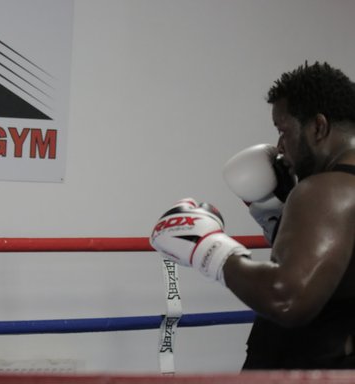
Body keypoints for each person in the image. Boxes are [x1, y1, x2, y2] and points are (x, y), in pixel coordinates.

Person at [150, 61, 355, 369]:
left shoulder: (325, 191)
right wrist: (283, 217)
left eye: (283, 131)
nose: (280, 147)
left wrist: (207, 248)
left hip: (303, 369)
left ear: (318, 127)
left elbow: (286, 298)